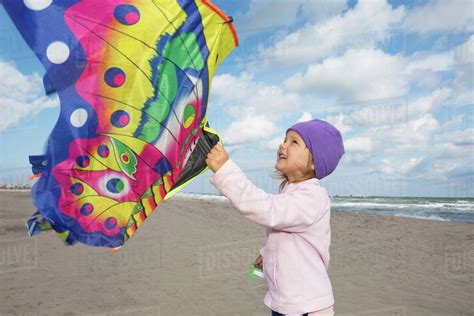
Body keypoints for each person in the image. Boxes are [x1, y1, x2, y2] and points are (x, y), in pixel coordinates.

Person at [206, 119, 345, 316]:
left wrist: (225, 170)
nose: (283, 145)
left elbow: (267, 209)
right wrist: (267, 253)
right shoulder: (289, 191)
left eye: (294, 142)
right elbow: (287, 235)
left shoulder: (313, 197)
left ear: (314, 161)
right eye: (284, 139)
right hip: (284, 303)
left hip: (308, 307)